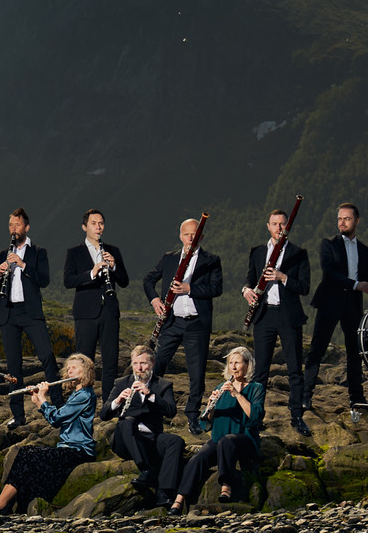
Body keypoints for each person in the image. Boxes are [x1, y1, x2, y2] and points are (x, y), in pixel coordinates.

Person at [0, 354, 99, 515]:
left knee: (28, 456)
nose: (69, 372)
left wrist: (43, 399)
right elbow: (57, 417)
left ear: (86, 371)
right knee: (25, 454)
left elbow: (56, 419)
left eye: (74, 368)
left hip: (79, 451)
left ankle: (1, 505)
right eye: (68, 369)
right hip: (67, 449)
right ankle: (7, 504)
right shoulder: (76, 394)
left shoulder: (85, 395)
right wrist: (39, 401)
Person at [148, 217, 222, 431]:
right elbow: (148, 280)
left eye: (195, 234)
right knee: (158, 364)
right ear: (180, 236)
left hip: (197, 324)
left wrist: (189, 289)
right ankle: (153, 407)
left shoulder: (211, 260)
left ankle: (192, 416)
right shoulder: (169, 259)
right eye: (187, 234)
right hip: (171, 322)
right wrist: (154, 300)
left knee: (196, 374)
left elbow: (216, 288)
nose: (191, 238)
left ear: (201, 236)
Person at [170, 348, 264, 514]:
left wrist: (237, 394)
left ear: (247, 365)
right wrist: (210, 406)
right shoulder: (222, 387)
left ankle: (226, 486)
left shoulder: (256, 388)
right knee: (199, 457)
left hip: (245, 439)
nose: (233, 367)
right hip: (219, 439)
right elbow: (206, 422)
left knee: (227, 441)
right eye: (231, 363)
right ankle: (179, 500)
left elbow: (255, 416)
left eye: (238, 362)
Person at [243, 208, 311, 436]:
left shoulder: (299, 253)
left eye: (283, 224)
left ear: (287, 227)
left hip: (288, 315)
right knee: (260, 370)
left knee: (294, 368)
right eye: (275, 224)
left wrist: (283, 278)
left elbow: (304, 287)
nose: (279, 228)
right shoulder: (257, 252)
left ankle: (296, 416)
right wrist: (246, 290)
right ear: (268, 226)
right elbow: (250, 279)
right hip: (263, 315)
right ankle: (256, 416)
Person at [0, 208, 54, 428]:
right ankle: (18, 416)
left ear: (26, 227)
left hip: (30, 312)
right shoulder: (1, 254)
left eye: (17, 225)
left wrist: (23, 265)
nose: (13, 230)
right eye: (10, 226)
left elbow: (44, 280)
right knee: (13, 366)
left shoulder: (38, 252)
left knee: (47, 358)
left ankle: (60, 406)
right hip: (8, 314)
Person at [312, 202, 368, 413]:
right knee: (317, 350)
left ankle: (356, 398)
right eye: (340, 219)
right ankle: (305, 396)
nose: (342, 222)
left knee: (355, 352)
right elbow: (329, 274)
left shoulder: (363, 249)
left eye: (347, 218)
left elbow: (363, 278)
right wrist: (355, 285)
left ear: (357, 221)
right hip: (330, 301)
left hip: (352, 305)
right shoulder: (327, 244)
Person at [107, 343, 186, 504]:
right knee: (127, 422)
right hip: (126, 440)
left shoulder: (163, 385)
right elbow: (104, 415)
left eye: (143, 363)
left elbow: (171, 411)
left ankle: (164, 492)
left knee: (176, 441)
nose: (139, 368)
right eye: (135, 364)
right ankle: (146, 470)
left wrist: (151, 395)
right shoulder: (121, 383)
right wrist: (118, 400)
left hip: (150, 438)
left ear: (152, 364)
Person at [67, 209, 127, 378]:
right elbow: (68, 281)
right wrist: (92, 274)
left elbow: (124, 281)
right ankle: (84, 401)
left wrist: (114, 266)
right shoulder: (74, 253)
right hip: (85, 313)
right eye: (93, 224)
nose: (98, 227)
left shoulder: (113, 250)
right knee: (84, 363)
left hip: (109, 311)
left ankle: (109, 403)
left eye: (101, 223)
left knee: (110, 362)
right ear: (84, 227)